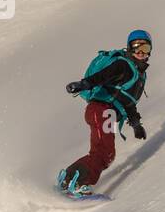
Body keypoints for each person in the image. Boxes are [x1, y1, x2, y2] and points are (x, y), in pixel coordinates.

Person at [57, 29, 151, 196]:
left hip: (104, 112)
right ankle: (78, 183)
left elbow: (128, 102)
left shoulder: (138, 74)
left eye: (146, 48)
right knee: (105, 153)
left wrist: (136, 123)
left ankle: (68, 179)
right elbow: (103, 76)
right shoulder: (123, 65)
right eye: (137, 47)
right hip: (102, 109)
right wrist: (83, 84)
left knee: (102, 152)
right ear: (129, 48)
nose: (141, 52)